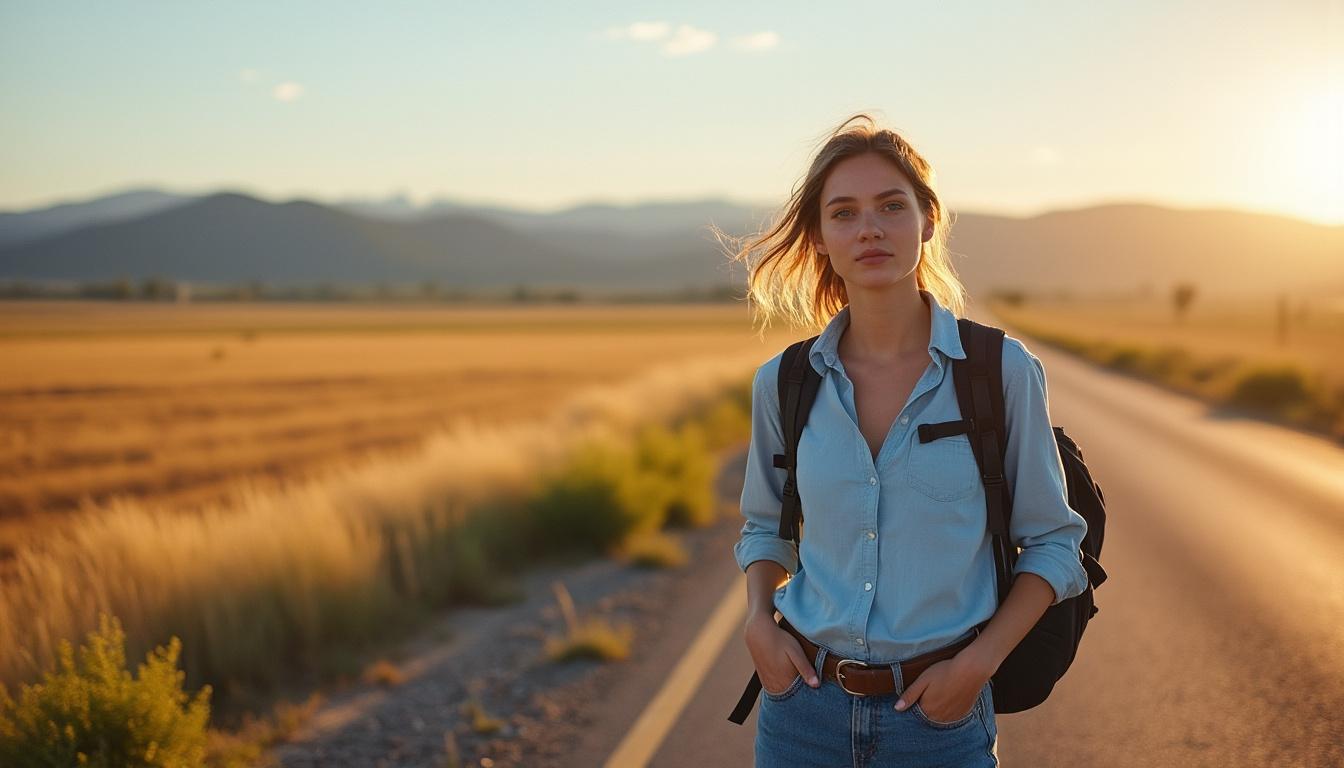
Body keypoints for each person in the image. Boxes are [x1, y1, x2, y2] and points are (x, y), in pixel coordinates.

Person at [729, 113, 1090, 766]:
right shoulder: (784, 382)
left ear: (928, 220)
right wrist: (758, 619)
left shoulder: (1001, 371)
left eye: (892, 206)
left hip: (938, 718)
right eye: (844, 213)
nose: (869, 228)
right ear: (820, 238)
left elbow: (1054, 545)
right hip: (799, 712)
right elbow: (764, 526)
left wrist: (977, 666)